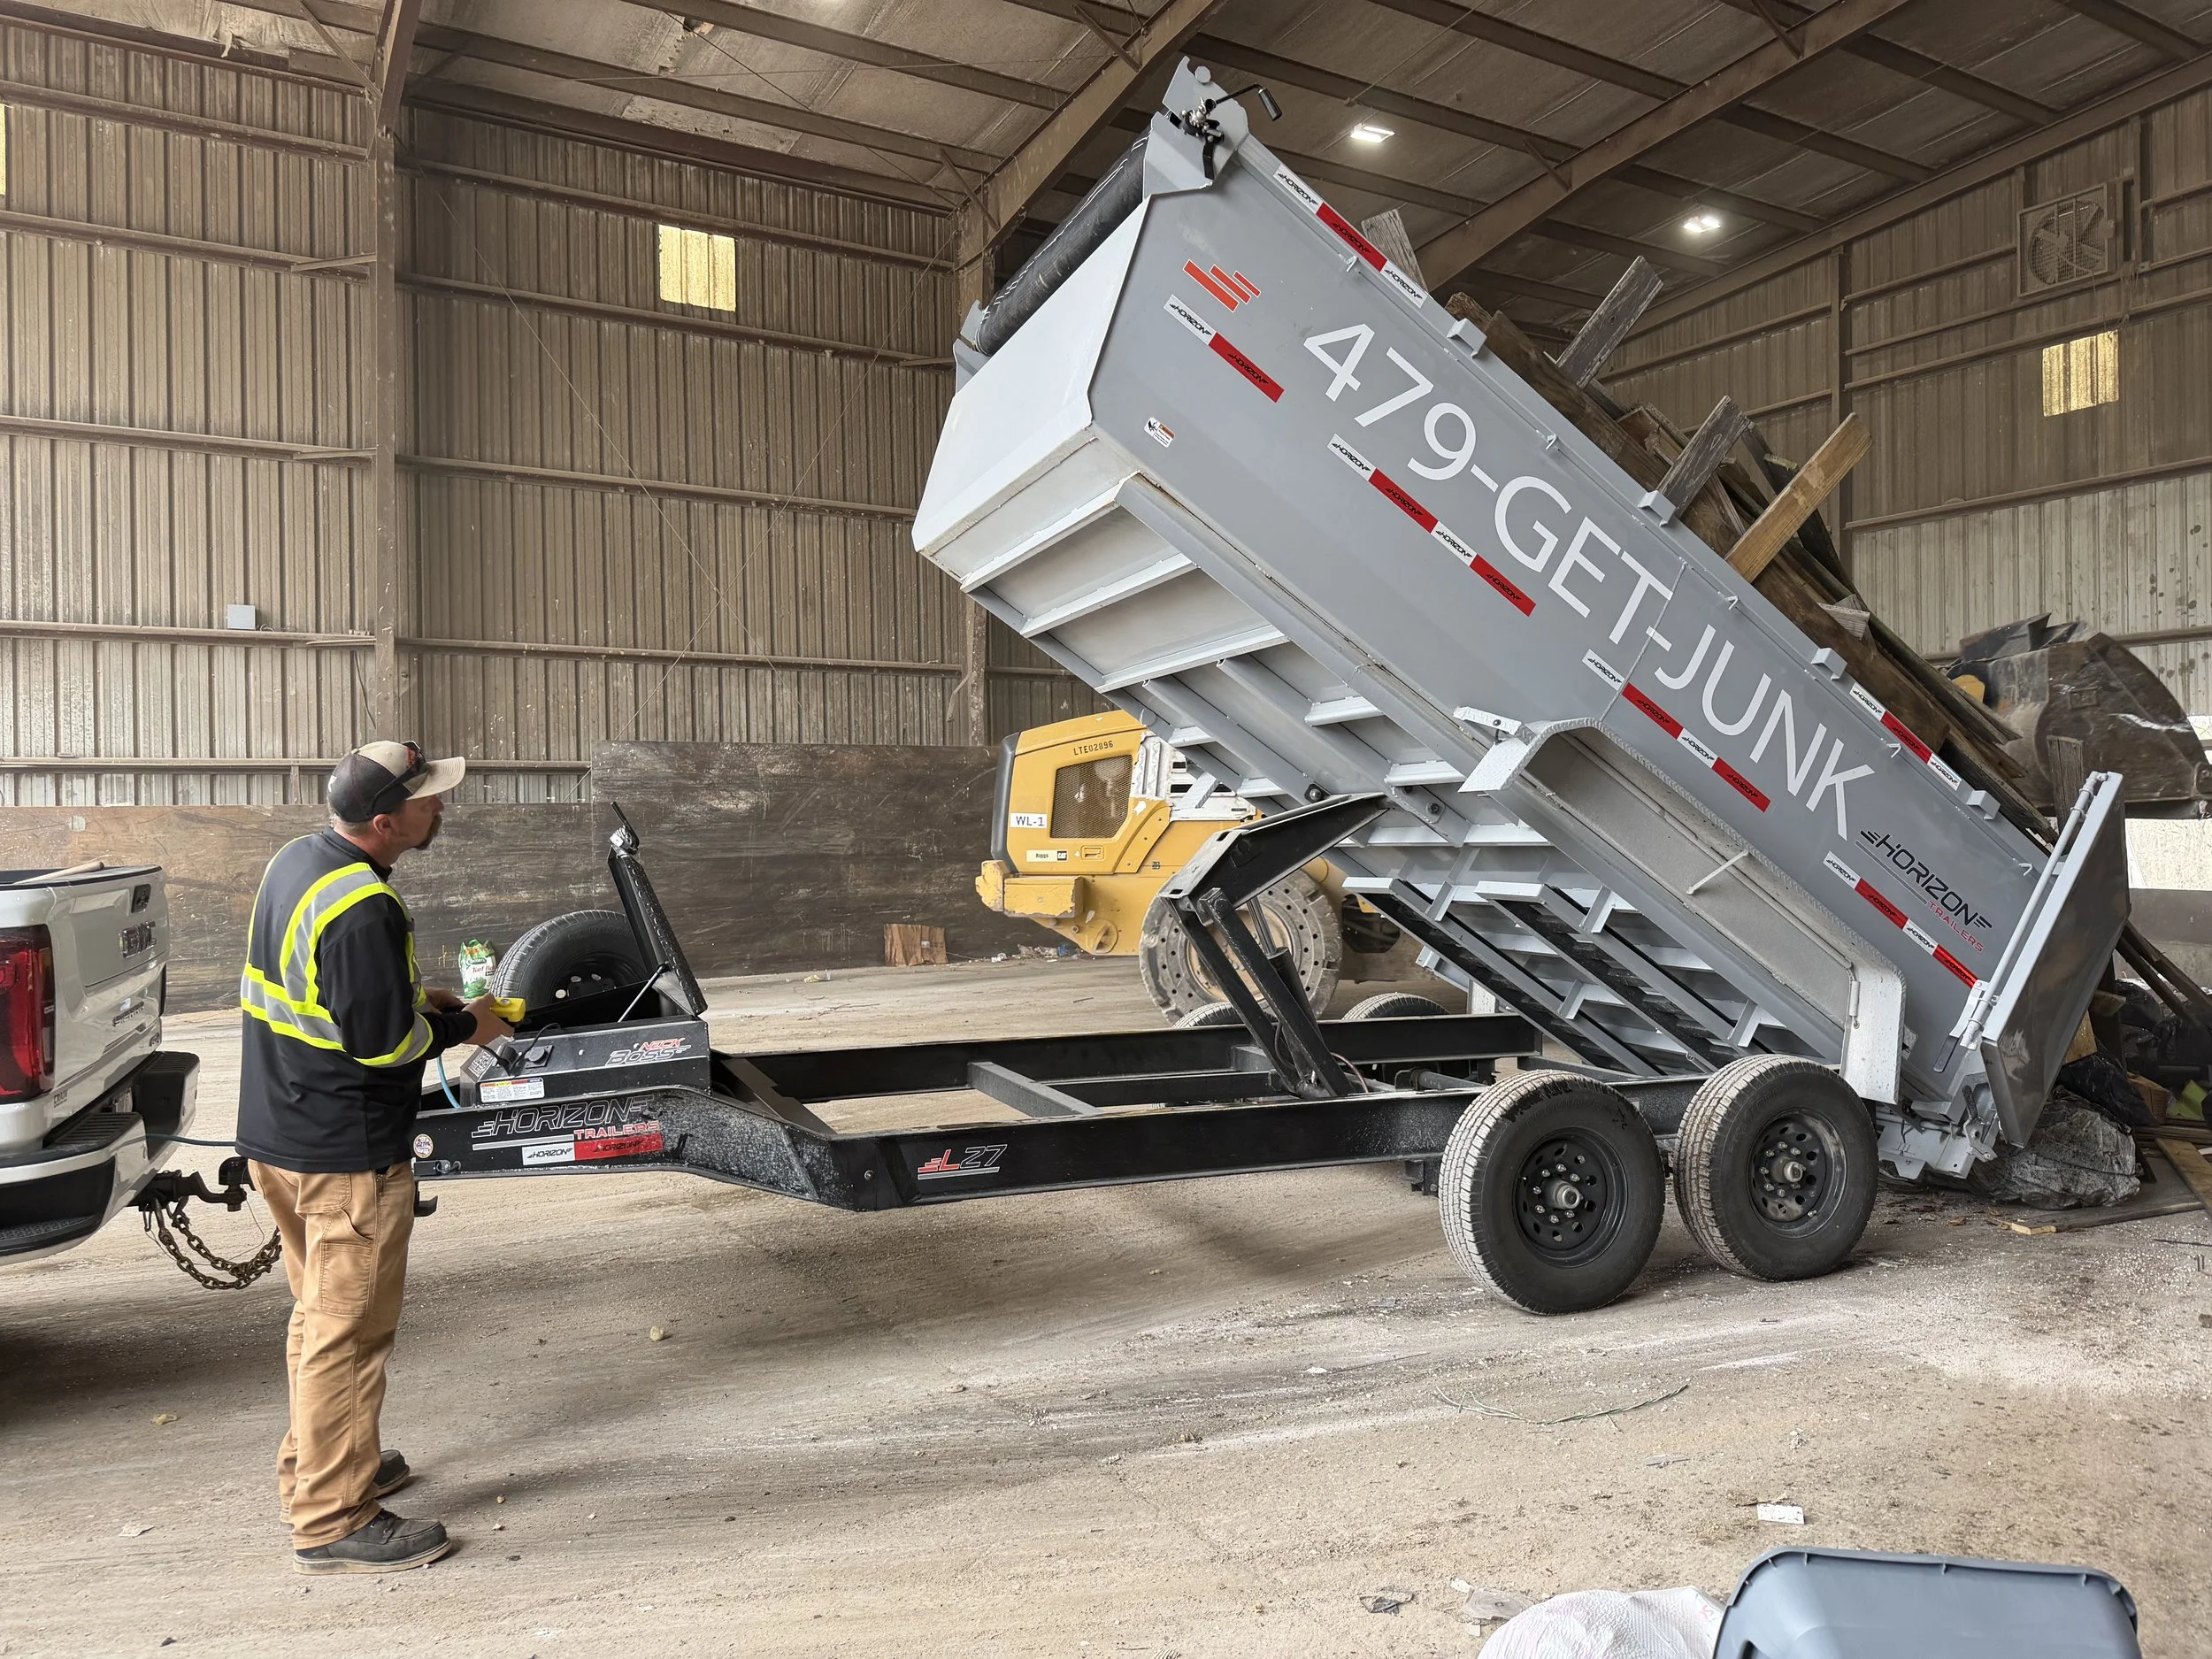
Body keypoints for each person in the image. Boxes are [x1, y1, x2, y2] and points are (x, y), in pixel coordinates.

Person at [235, 741, 513, 1573]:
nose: (441, 808)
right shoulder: (364, 907)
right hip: (346, 1154)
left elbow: (321, 992)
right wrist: (470, 1026)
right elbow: (384, 1044)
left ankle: (318, 1465)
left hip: (282, 1133)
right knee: (349, 1335)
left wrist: (413, 995)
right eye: (428, 800)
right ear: (387, 822)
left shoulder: (300, 860)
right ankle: (332, 1518)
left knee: (319, 1317)